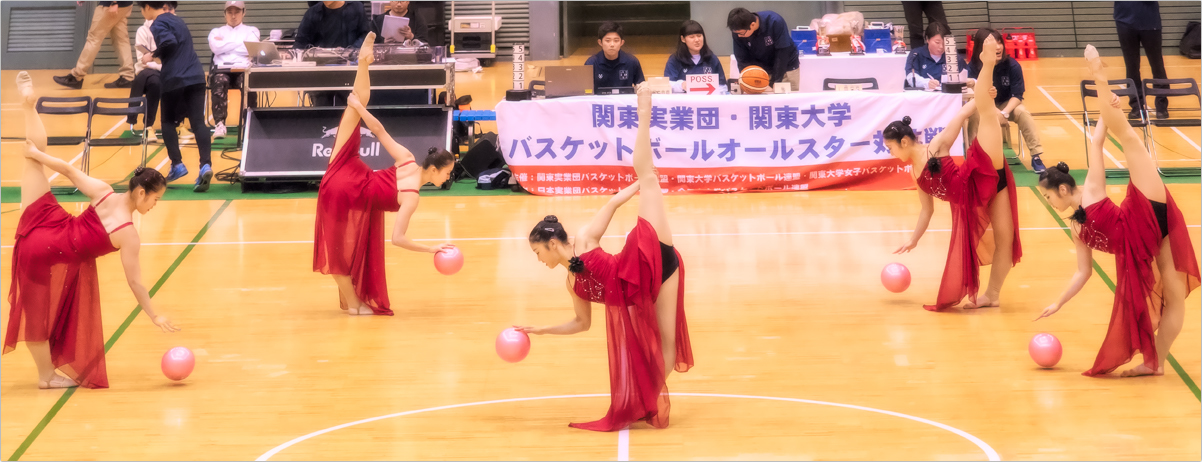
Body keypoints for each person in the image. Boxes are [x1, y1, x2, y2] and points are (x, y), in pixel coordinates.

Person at [516, 84, 694, 432]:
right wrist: (542, 330)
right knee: (666, 346)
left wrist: (641, 187)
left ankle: (645, 111)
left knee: (648, 175)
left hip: (645, 257)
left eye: (537, 252)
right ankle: (644, 400)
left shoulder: (583, 239)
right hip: (650, 287)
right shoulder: (571, 283)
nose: (538, 259)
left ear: (552, 243)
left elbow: (612, 203)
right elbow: (582, 324)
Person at [5, 72, 179, 390]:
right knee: (39, 315)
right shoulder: (128, 233)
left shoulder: (103, 191)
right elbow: (135, 282)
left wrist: (37, 155)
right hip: (47, 252)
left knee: (32, 163)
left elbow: (70, 170)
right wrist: (154, 314)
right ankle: (46, 376)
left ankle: (29, 107)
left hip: (44, 223)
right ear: (142, 193)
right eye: (156, 198)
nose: (155, 204)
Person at [1034, 46, 1199, 377]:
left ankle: (1100, 76)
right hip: (1144, 241)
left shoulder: (1091, 189)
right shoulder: (1076, 229)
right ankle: (1155, 364)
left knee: (1129, 138)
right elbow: (1084, 273)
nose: (1050, 203)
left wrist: (1106, 112)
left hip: (1144, 213)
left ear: (1063, 190)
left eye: (1049, 197)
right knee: (1175, 296)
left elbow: (1097, 142)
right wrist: (1059, 302)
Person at [312, 32, 457, 316]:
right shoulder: (412, 197)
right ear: (435, 170)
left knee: (354, 106)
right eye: (447, 173)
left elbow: (378, 130)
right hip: (346, 191)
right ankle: (354, 304)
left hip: (346, 169)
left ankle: (364, 63)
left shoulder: (407, 159)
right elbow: (398, 239)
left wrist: (359, 107)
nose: (447, 179)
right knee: (338, 254)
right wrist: (431, 249)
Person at [884, 33, 1022, 312]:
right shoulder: (914, 174)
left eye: (890, 147)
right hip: (971, 202)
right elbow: (927, 211)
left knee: (1006, 239)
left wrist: (983, 98)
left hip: (980, 175)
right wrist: (913, 239)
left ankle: (986, 65)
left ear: (906, 142)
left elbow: (960, 117)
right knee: (1003, 239)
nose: (890, 153)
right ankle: (992, 296)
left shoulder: (935, 147)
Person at [141, 1, 213, 192]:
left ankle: (177, 164)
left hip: (174, 78)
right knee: (198, 123)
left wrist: (152, 55)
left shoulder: (157, 23)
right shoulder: (178, 20)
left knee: (166, 122)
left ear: (148, 7)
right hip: (196, 75)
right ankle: (205, 165)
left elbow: (169, 42)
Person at [966, 28, 1046, 174]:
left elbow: (1017, 95)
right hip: (983, 105)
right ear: (980, 47)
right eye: (992, 43)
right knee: (973, 115)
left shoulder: (1012, 65)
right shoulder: (974, 66)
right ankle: (974, 156)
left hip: (1006, 105)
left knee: (1022, 112)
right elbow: (972, 95)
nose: (997, 47)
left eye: (999, 42)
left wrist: (1004, 112)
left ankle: (1036, 156)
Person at [295, 1, 371, 106]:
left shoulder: (357, 8)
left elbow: (365, 35)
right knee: (322, 111)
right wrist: (293, 57)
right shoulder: (313, 12)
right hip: (321, 72)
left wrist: (350, 51)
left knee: (348, 109)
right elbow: (300, 42)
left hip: (349, 71)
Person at [207, 1, 260, 138]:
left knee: (250, 83)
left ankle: (249, 123)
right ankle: (219, 124)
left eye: (237, 12)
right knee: (219, 80)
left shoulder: (252, 30)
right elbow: (215, 48)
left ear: (244, 13)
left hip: (243, 70)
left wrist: (224, 44)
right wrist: (241, 44)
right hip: (222, 70)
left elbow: (251, 48)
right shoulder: (216, 31)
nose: (233, 16)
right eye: (230, 12)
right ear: (225, 14)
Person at [54, 1, 136, 89]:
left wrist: (113, 3)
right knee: (121, 40)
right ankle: (127, 77)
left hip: (110, 5)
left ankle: (76, 76)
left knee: (93, 39)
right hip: (125, 5)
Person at [1114, 1, 1169, 119]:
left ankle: (1161, 106)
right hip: (1124, 21)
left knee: (1157, 64)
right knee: (1131, 65)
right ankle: (1136, 106)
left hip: (1150, 21)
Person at [726, 7, 799, 91]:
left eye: (741, 33)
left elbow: (782, 53)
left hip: (785, 66)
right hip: (761, 69)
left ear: (752, 25)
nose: (738, 36)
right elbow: (742, 59)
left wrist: (775, 82)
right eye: (736, 33)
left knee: (787, 99)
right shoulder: (738, 32)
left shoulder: (775, 22)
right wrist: (748, 78)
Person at [664, 20, 728, 94]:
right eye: (692, 37)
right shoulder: (674, 59)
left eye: (699, 36)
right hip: (683, 103)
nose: (697, 40)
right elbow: (667, 85)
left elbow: (723, 86)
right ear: (683, 39)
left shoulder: (712, 58)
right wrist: (682, 85)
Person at [128, 10, 161, 142]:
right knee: (155, 82)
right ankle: (148, 126)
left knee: (182, 78)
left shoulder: (171, 28)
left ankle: (178, 123)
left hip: (166, 69)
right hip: (146, 72)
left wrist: (156, 59)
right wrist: (160, 63)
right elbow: (144, 60)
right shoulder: (143, 31)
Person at [904, 22, 966, 91]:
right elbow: (910, 76)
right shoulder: (916, 54)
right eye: (937, 42)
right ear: (927, 39)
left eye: (944, 43)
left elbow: (966, 75)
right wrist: (926, 83)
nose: (941, 47)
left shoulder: (953, 55)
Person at [584, 22, 645, 90]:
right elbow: (585, 91)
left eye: (616, 40)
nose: (612, 44)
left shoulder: (632, 61)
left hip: (623, 100)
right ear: (600, 42)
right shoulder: (591, 63)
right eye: (608, 41)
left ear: (621, 43)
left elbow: (641, 87)